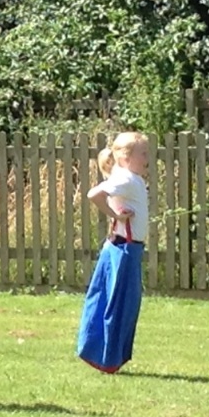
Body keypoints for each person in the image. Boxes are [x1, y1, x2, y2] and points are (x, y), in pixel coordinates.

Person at [77, 132, 150, 372]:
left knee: (120, 304)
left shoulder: (128, 177)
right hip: (124, 250)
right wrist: (116, 216)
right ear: (126, 158)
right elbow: (94, 195)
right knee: (119, 305)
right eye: (143, 154)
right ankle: (106, 359)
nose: (148, 158)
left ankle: (107, 357)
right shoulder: (127, 179)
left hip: (127, 248)